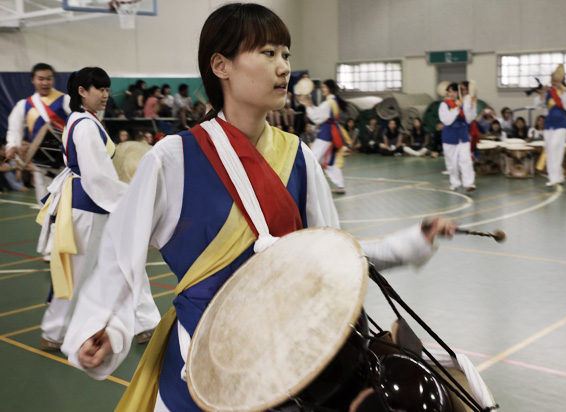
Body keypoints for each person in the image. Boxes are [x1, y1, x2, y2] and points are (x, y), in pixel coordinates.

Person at [62, 4, 457, 411]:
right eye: (268, 54)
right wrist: (105, 326)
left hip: (289, 365)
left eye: (286, 54)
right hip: (202, 364)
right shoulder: (172, 159)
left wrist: (407, 245)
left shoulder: (298, 156)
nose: (284, 67)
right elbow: (118, 254)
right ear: (221, 65)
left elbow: (330, 257)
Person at [35, 67, 160, 351]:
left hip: (95, 204)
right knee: (78, 272)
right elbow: (98, 177)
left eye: (106, 89)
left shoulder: (88, 121)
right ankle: (54, 332)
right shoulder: (85, 125)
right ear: (82, 91)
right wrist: (131, 201)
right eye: (99, 89)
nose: (105, 95)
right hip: (88, 206)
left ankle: (145, 323)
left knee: (128, 263)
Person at [5, 63, 71, 204]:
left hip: (66, 161)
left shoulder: (65, 100)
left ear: (53, 80)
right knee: (45, 203)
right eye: (41, 79)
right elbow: (14, 129)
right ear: (33, 80)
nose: (45, 83)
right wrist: (12, 146)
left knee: (67, 203)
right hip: (41, 164)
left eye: (48, 79)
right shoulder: (24, 105)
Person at [299, 79, 349, 194]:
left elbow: (317, 117)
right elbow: (321, 113)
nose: (322, 89)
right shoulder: (333, 101)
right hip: (333, 133)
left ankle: (306, 185)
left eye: (324, 87)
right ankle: (340, 186)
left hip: (326, 133)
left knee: (313, 156)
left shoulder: (328, 103)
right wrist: (310, 105)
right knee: (330, 161)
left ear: (330, 89)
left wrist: (307, 106)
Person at [533, 64, 566, 187]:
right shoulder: (548, 92)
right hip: (548, 124)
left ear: (560, 80)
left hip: (561, 123)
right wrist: (542, 94)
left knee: (556, 146)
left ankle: (556, 177)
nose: (553, 81)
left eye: (555, 79)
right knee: (550, 149)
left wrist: (562, 92)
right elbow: (538, 106)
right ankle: (555, 176)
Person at [438, 82, 477, 192]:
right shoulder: (444, 105)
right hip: (449, 136)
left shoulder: (465, 103)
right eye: (449, 91)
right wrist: (456, 109)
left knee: (466, 160)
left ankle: (468, 183)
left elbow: (469, 119)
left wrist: (471, 107)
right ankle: (454, 182)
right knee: (452, 163)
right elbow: (446, 121)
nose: (451, 93)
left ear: (458, 92)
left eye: (454, 91)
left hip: (463, 135)